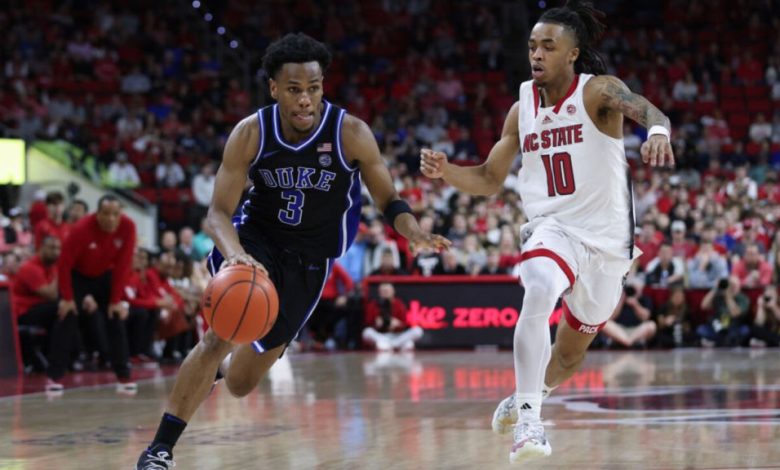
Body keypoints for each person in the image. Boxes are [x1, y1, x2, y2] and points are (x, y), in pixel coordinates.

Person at [135, 33, 449, 469]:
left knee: (242, 382)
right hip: (255, 243)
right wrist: (233, 254)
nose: (306, 100)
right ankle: (160, 450)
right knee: (217, 338)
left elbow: (389, 200)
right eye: (295, 90)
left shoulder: (351, 133)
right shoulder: (251, 133)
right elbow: (218, 213)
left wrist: (411, 230)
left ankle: (215, 374)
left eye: (314, 88)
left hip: (310, 263)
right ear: (274, 88)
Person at [420, 1, 673, 463]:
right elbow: (490, 179)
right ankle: (530, 425)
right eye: (532, 45)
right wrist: (447, 173)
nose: (536, 54)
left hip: (607, 242)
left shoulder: (598, 91)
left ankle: (527, 397)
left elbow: (649, 110)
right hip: (552, 229)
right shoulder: (522, 108)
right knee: (538, 289)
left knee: (569, 358)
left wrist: (658, 131)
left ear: (572, 54)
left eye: (548, 46)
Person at [58, 194, 137, 392]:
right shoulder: (81, 229)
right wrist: (67, 298)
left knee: (116, 316)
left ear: (120, 215)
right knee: (66, 315)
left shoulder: (128, 227)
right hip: (78, 275)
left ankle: (123, 376)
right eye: (106, 214)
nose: (111, 218)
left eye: (115, 214)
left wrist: (115, 300)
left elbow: (123, 265)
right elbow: (64, 264)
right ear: (97, 214)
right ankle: (55, 376)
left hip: (104, 275)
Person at [13, 236, 78, 392]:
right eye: (52, 248)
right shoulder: (30, 267)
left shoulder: (51, 267)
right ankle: (58, 361)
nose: (56, 252)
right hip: (23, 312)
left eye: (58, 248)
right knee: (60, 309)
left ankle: (69, 358)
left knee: (70, 309)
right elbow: (51, 294)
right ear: (41, 248)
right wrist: (61, 270)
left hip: (42, 310)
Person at [362, 282, 423, 351]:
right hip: (381, 336)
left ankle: (392, 345)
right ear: (379, 293)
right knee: (366, 332)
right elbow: (367, 323)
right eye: (383, 291)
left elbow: (406, 324)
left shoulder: (399, 304)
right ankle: (394, 345)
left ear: (393, 292)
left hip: (398, 335)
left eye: (387, 291)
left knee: (418, 331)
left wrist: (398, 324)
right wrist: (376, 324)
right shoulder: (373, 304)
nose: (385, 293)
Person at [600, 279, 656, 348]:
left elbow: (645, 317)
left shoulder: (645, 299)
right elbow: (611, 318)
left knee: (651, 325)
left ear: (641, 289)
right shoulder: (617, 299)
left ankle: (627, 342)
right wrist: (621, 300)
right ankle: (628, 342)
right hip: (619, 330)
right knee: (605, 324)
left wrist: (635, 304)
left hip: (637, 330)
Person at [697, 276, 751, 347]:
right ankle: (726, 341)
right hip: (718, 328)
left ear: (739, 287)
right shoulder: (719, 296)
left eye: (734, 285)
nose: (732, 288)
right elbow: (704, 306)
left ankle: (720, 342)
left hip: (734, 327)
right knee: (701, 330)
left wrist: (728, 296)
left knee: (745, 330)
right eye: (730, 285)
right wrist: (715, 288)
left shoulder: (743, 298)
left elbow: (735, 314)